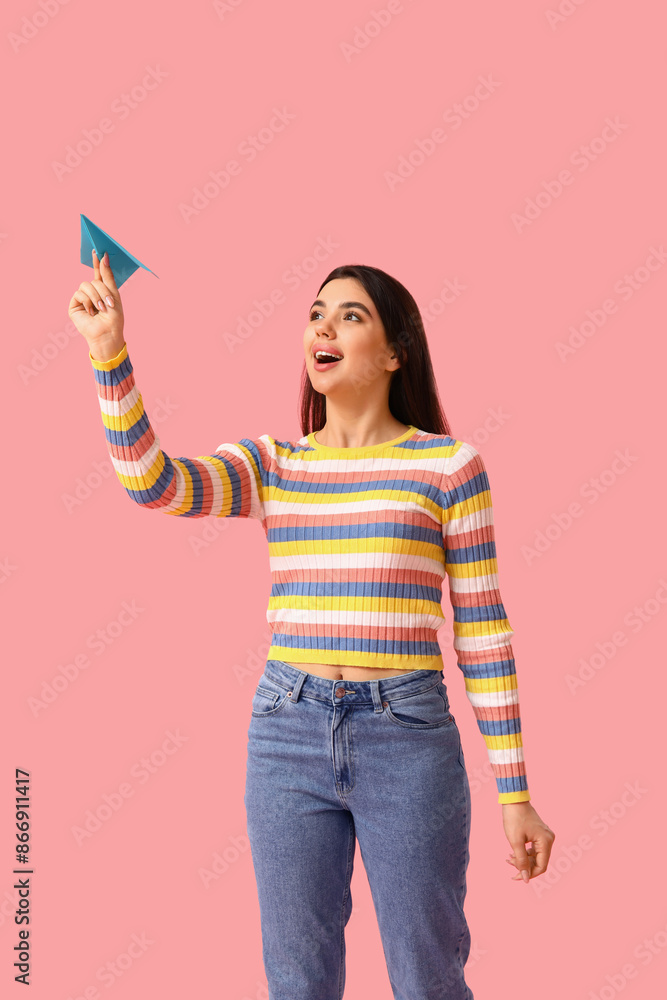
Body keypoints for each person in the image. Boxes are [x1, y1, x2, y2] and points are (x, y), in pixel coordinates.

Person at [69, 250, 555, 1000]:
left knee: (427, 976)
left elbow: (483, 633)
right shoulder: (272, 464)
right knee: (297, 980)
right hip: (286, 731)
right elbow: (154, 484)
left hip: (408, 739)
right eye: (315, 314)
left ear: (395, 352)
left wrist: (514, 792)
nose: (323, 327)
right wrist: (110, 356)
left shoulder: (448, 468)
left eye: (349, 315)